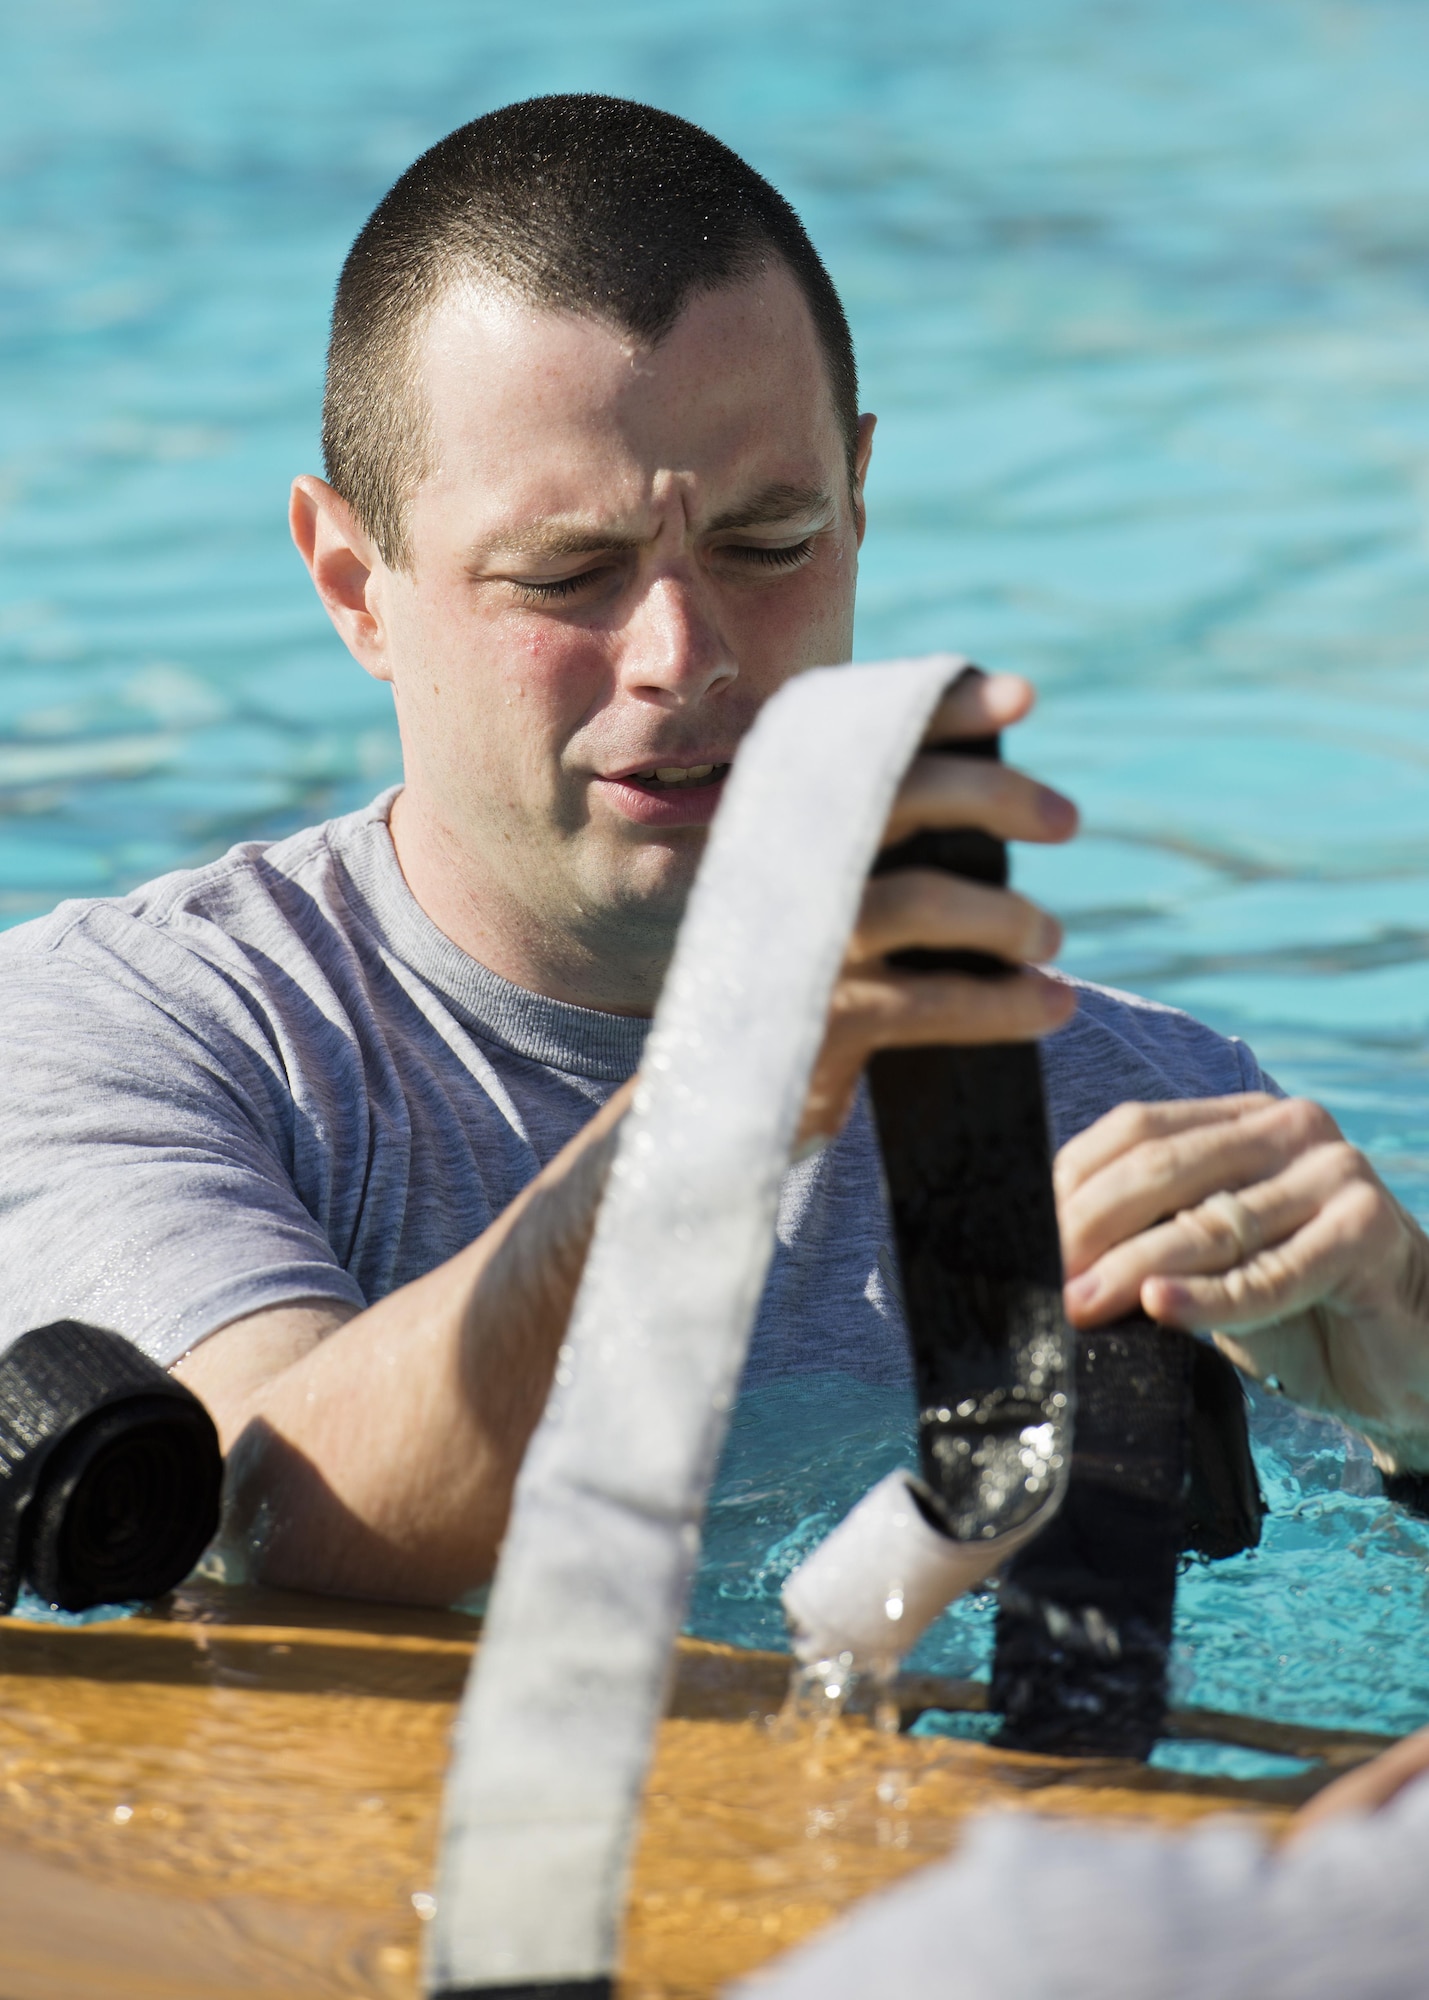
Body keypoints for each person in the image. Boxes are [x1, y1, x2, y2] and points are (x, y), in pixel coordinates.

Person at [1, 95, 1426, 1608]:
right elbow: (270, 1538)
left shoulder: (1144, 1124)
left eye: (768, 542)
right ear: (355, 584)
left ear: (860, 504)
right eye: (565, 574)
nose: (683, 654)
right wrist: (716, 1113)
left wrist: (1415, 1406)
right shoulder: (130, 1038)